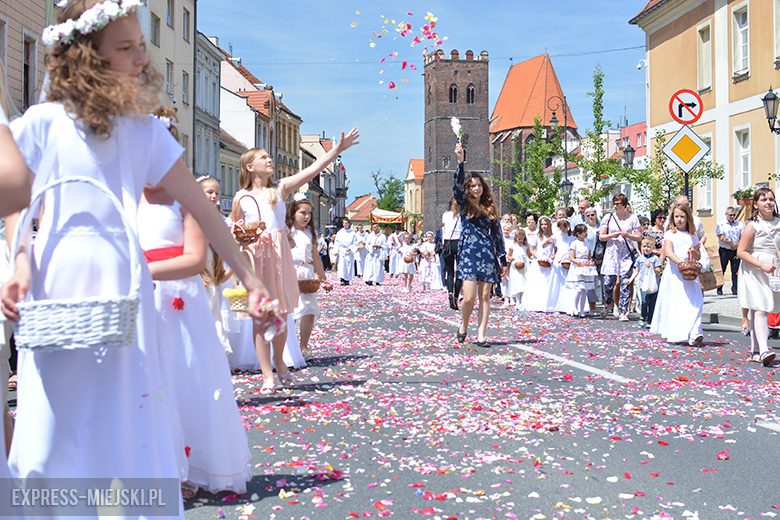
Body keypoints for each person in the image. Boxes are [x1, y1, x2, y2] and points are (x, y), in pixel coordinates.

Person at [0, 1, 268, 512]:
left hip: (124, 277)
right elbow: (18, 202)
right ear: (87, 58)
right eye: (126, 49)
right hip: (55, 276)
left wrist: (249, 278)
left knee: (127, 415)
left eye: (141, 46)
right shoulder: (42, 122)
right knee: (54, 424)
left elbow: (204, 212)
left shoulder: (144, 131)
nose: (141, 59)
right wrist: (19, 260)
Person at [139, 177, 251, 497]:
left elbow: (197, 258)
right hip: (135, 296)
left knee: (181, 377)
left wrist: (142, 269)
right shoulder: (123, 191)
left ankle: (181, 469)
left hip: (177, 296)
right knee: (142, 381)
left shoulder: (184, 198)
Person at [231, 131, 360, 394]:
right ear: (249, 166)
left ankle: (279, 359)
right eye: (263, 157)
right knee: (259, 317)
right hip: (255, 260)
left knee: (281, 314)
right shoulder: (240, 198)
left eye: (269, 157)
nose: (269, 160)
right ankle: (267, 373)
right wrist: (238, 244)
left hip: (279, 257)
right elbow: (234, 232)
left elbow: (312, 171)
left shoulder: (279, 189)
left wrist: (336, 151)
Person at [453, 143, 507, 347]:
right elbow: (456, 187)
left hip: (487, 254)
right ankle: (464, 324)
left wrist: (502, 259)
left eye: (479, 185)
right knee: (468, 297)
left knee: (485, 295)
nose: (476, 188)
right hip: (468, 253)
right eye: (472, 186)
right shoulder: (465, 204)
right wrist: (460, 162)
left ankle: (481, 334)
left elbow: (498, 234)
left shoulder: (490, 207)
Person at [737, 187, 780, 366]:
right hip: (754, 269)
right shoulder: (752, 225)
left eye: (771, 199)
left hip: (773, 269)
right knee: (760, 307)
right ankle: (764, 350)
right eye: (764, 200)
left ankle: (755, 350)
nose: (768, 202)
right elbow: (741, 251)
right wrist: (761, 264)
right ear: (755, 204)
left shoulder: (778, 223)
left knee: (760, 309)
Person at [650, 203, 704, 346]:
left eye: (682, 217)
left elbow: (698, 256)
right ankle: (677, 332)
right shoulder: (669, 234)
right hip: (675, 273)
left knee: (696, 301)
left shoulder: (692, 236)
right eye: (676, 216)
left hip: (690, 273)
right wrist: (681, 263)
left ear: (688, 219)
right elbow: (669, 252)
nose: (679, 220)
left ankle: (695, 333)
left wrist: (694, 251)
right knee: (677, 302)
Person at [287, 194, 329, 362]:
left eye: (309, 213)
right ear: (293, 213)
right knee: (292, 311)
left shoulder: (310, 232)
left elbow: (316, 256)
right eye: (302, 213)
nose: (306, 217)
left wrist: (323, 278)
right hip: (290, 270)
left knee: (309, 311)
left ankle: (304, 347)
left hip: (307, 272)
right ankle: (288, 347)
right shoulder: (286, 230)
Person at [599, 193, 642, 321]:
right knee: (608, 282)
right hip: (611, 253)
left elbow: (639, 236)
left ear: (624, 205)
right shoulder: (608, 217)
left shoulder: (632, 218)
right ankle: (608, 303)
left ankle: (624, 311)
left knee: (625, 283)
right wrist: (613, 235)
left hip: (626, 253)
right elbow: (601, 236)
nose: (615, 206)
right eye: (614, 204)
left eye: (618, 204)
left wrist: (627, 235)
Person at [625, 237, 662, 329]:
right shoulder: (640, 259)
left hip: (654, 285)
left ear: (653, 247)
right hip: (643, 284)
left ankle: (650, 320)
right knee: (644, 301)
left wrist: (652, 267)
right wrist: (630, 280)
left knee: (652, 303)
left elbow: (658, 271)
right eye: (644, 246)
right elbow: (636, 271)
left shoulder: (655, 259)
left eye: (649, 247)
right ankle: (642, 317)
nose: (646, 248)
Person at [522, 216, 556, 313]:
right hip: (538, 262)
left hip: (548, 263)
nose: (544, 226)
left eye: (545, 224)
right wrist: (538, 257)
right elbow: (532, 250)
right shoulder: (537, 236)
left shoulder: (552, 237)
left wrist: (551, 258)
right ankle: (536, 304)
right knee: (537, 283)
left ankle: (547, 304)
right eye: (542, 224)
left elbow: (555, 250)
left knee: (548, 283)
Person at [567, 224, 597, 318]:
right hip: (577, 267)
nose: (586, 233)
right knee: (579, 288)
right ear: (578, 234)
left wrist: (591, 262)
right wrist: (579, 262)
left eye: (586, 231)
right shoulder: (574, 243)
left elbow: (589, 256)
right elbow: (572, 257)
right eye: (584, 232)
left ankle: (582, 309)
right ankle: (574, 308)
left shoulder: (587, 244)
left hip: (585, 268)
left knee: (584, 289)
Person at [716, 206, 743, 296]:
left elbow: (743, 237)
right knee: (722, 269)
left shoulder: (739, 224)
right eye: (730, 215)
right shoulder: (721, 224)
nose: (732, 217)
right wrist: (732, 244)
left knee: (735, 270)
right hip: (724, 250)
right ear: (726, 214)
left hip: (735, 250)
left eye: (734, 215)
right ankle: (719, 288)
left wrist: (737, 245)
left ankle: (735, 289)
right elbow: (721, 237)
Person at [442, 197, 463, 310]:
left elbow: (444, 228)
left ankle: (450, 293)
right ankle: (456, 296)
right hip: (459, 242)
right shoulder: (463, 216)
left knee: (450, 271)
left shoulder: (445, 215)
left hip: (448, 242)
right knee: (459, 272)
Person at [584, 208, 601, 313]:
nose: (591, 217)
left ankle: (608, 304)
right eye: (588, 215)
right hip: (589, 258)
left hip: (602, 258)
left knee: (603, 282)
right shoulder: (584, 229)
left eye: (592, 215)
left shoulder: (601, 227)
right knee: (591, 283)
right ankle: (592, 306)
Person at [506, 228, 529, 309]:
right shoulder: (513, 245)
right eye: (519, 239)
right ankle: (517, 301)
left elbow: (529, 255)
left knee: (523, 283)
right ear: (516, 238)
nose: (520, 240)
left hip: (524, 266)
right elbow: (508, 255)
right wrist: (511, 258)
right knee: (516, 283)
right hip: (515, 266)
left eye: (522, 239)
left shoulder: (526, 246)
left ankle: (522, 301)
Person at [334, 217, 359, 286]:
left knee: (349, 265)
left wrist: (351, 248)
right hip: (342, 250)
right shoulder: (340, 232)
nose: (345, 225)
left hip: (349, 251)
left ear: (349, 224)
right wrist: (336, 251)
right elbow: (337, 242)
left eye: (346, 223)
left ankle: (347, 279)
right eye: (344, 223)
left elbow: (355, 243)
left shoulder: (352, 233)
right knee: (342, 265)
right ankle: (342, 279)